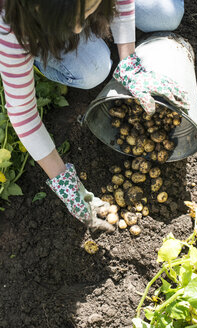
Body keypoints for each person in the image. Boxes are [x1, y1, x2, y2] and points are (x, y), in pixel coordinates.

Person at [0, 0, 187, 231]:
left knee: (169, 15)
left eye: (87, 10)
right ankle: (41, 58)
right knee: (94, 69)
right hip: (36, 28)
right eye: (71, 21)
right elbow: (22, 113)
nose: (78, 28)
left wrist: (128, 60)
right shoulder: (11, 29)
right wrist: (65, 184)